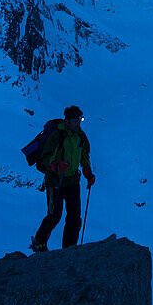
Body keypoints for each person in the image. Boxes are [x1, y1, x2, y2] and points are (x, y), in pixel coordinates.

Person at [30, 105, 95, 252]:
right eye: (75, 120)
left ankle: (69, 248)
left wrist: (88, 174)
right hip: (55, 181)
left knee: (74, 216)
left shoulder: (81, 137)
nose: (78, 123)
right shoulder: (58, 135)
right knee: (55, 214)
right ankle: (39, 241)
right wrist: (56, 166)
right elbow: (45, 157)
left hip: (72, 180)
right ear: (67, 121)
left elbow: (84, 157)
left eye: (80, 120)